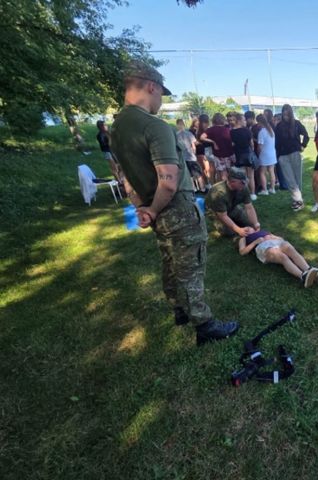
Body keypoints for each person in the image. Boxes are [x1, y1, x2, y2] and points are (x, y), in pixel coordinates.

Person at [109, 61, 238, 345]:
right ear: (151, 87)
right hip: (175, 207)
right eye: (161, 94)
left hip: (153, 207)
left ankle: (178, 310)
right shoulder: (154, 125)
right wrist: (154, 209)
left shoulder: (116, 129)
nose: (161, 101)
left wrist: (142, 208)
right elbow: (168, 180)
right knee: (190, 265)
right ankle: (204, 324)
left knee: (170, 261)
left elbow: (124, 177)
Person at [238, 230, 318, 288]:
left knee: (290, 249)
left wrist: (274, 237)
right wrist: (255, 242)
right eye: (244, 228)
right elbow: (242, 252)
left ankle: (309, 270)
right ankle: (303, 276)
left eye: (248, 227)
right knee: (282, 257)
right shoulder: (243, 238)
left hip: (275, 242)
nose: (247, 228)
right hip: (263, 247)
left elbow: (281, 238)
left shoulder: (263, 231)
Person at [205, 167, 261, 237]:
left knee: (249, 224)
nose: (244, 185)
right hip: (217, 213)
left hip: (232, 208)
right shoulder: (219, 193)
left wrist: (256, 224)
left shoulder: (243, 187)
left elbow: (249, 207)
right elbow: (223, 216)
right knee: (231, 232)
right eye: (242, 183)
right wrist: (238, 230)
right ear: (232, 181)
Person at [274, 104, 310, 211]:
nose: (286, 115)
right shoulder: (279, 126)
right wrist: (278, 156)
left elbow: (306, 135)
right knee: (290, 180)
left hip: (295, 154)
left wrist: (303, 145)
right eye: (284, 113)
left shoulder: (296, 124)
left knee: (297, 178)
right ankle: (299, 200)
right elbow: (277, 143)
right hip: (283, 156)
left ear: (291, 113)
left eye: (287, 113)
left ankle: (297, 201)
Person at [230, 112, 257, 200]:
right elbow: (252, 144)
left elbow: (232, 144)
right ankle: (252, 194)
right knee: (251, 176)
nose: (245, 121)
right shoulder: (247, 130)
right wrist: (252, 151)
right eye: (244, 120)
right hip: (248, 154)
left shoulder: (232, 132)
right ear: (239, 121)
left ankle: (244, 194)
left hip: (239, 155)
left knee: (242, 176)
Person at [201, 113, 235, 182]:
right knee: (231, 172)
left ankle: (224, 186)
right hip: (229, 153)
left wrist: (213, 142)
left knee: (222, 173)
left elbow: (202, 137)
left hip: (218, 154)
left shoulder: (211, 129)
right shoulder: (227, 129)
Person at [176, 118, 207, 192]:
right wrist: (195, 152)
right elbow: (194, 145)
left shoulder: (176, 135)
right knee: (198, 174)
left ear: (177, 125)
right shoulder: (188, 133)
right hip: (191, 157)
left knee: (189, 175)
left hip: (183, 158)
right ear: (183, 124)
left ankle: (194, 189)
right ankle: (202, 188)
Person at [255, 113, 277, 195]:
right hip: (272, 154)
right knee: (271, 171)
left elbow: (260, 146)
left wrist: (258, 154)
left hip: (264, 154)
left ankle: (265, 190)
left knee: (262, 172)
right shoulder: (271, 130)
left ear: (260, 122)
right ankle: (272, 188)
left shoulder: (262, 132)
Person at [195, 114, 212, 185]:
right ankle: (210, 183)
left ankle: (207, 184)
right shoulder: (208, 129)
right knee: (209, 168)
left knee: (203, 169)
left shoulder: (198, 130)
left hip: (199, 150)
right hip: (208, 149)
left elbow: (197, 141)